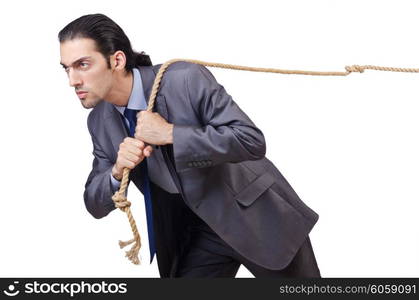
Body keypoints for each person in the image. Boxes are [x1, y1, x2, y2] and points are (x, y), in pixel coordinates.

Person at [58, 13, 321, 278]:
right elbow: (94, 203)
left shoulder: (183, 79)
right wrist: (116, 171)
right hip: (194, 233)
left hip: (256, 218)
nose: (72, 80)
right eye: (66, 68)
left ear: (117, 60)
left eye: (82, 65)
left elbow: (250, 140)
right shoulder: (99, 121)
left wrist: (171, 133)